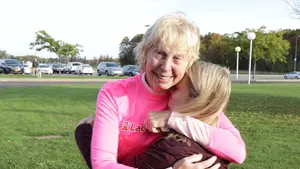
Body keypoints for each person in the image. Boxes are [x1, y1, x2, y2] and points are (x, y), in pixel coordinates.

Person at [76, 12, 221, 169]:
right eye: (160, 53)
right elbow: (102, 165)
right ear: (145, 52)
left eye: (177, 58)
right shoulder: (114, 93)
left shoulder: (188, 95)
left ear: (189, 62)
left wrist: (172, 119)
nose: (166, 67)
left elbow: (237, 150)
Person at [133, 61, 246, 169]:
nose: (169, 90)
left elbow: (238, 152)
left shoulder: (170, 149)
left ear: (195, 99)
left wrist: (172, 119)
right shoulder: (212, 115)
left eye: (175, 88)